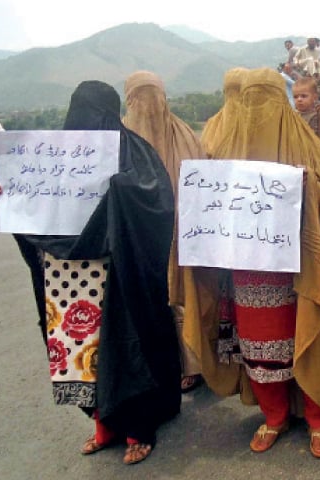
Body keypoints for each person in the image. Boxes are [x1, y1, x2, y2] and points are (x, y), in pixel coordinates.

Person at [0, 80, 181, 465]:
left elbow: (157, 202)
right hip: (66, 276)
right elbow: (36, 204)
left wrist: (121, 192)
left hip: (117, 272)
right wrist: (9, 197)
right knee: (80, 350)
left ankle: (138, 429)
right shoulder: (54, 155)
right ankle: (103, 426)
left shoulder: (133, 151)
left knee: (124, 345)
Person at [184, 67, 320, 459]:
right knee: (260, 342)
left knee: (309, 336)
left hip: (301, 266)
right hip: (249, 270)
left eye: (267, 100)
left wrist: (308, 192)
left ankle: (318, 417)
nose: (258, 112)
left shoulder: (306, 144)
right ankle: (274, 415)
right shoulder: (222, 150)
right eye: (250, 101)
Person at [122, 70, 206, 395]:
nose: (149, 106)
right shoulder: (121, 140)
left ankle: (193, 365)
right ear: (129, 102)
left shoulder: (185, 134)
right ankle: (157, 366)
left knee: (185, 299)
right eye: (140, 99)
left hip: (182, 232)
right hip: (140, 236)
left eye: (153, 97)